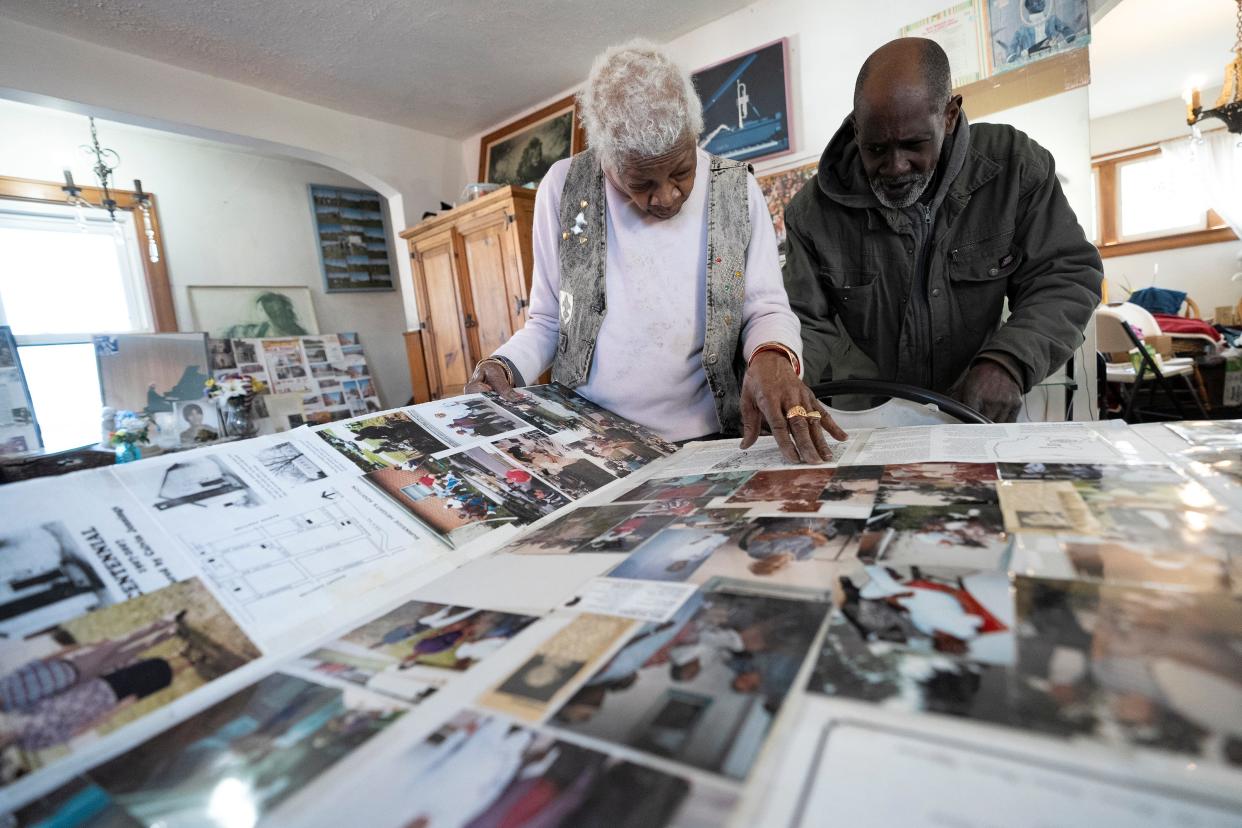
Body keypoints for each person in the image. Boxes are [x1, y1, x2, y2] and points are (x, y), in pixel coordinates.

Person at [464, 40, 844, 464]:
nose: (665, 197)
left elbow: (767, 308)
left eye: (682, 172)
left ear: (695, 135)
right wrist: (502, 365)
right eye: (640, 183)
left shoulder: (736, 189)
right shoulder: (563, 187)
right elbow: (550, 320)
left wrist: (772, 354)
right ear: (605, 160)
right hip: (593, 438)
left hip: (712, 435)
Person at [783, 38, 1103, 422]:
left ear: (949, 115)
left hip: (975, 407)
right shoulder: (812, 213)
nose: (896, 166)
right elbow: (802, 321)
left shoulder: (1014, 168)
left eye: (914, 144)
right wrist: (784, 374)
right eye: (876, 149)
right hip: (867, 420)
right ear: (856, 131)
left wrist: (1008, 362)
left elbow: (1064, 276)